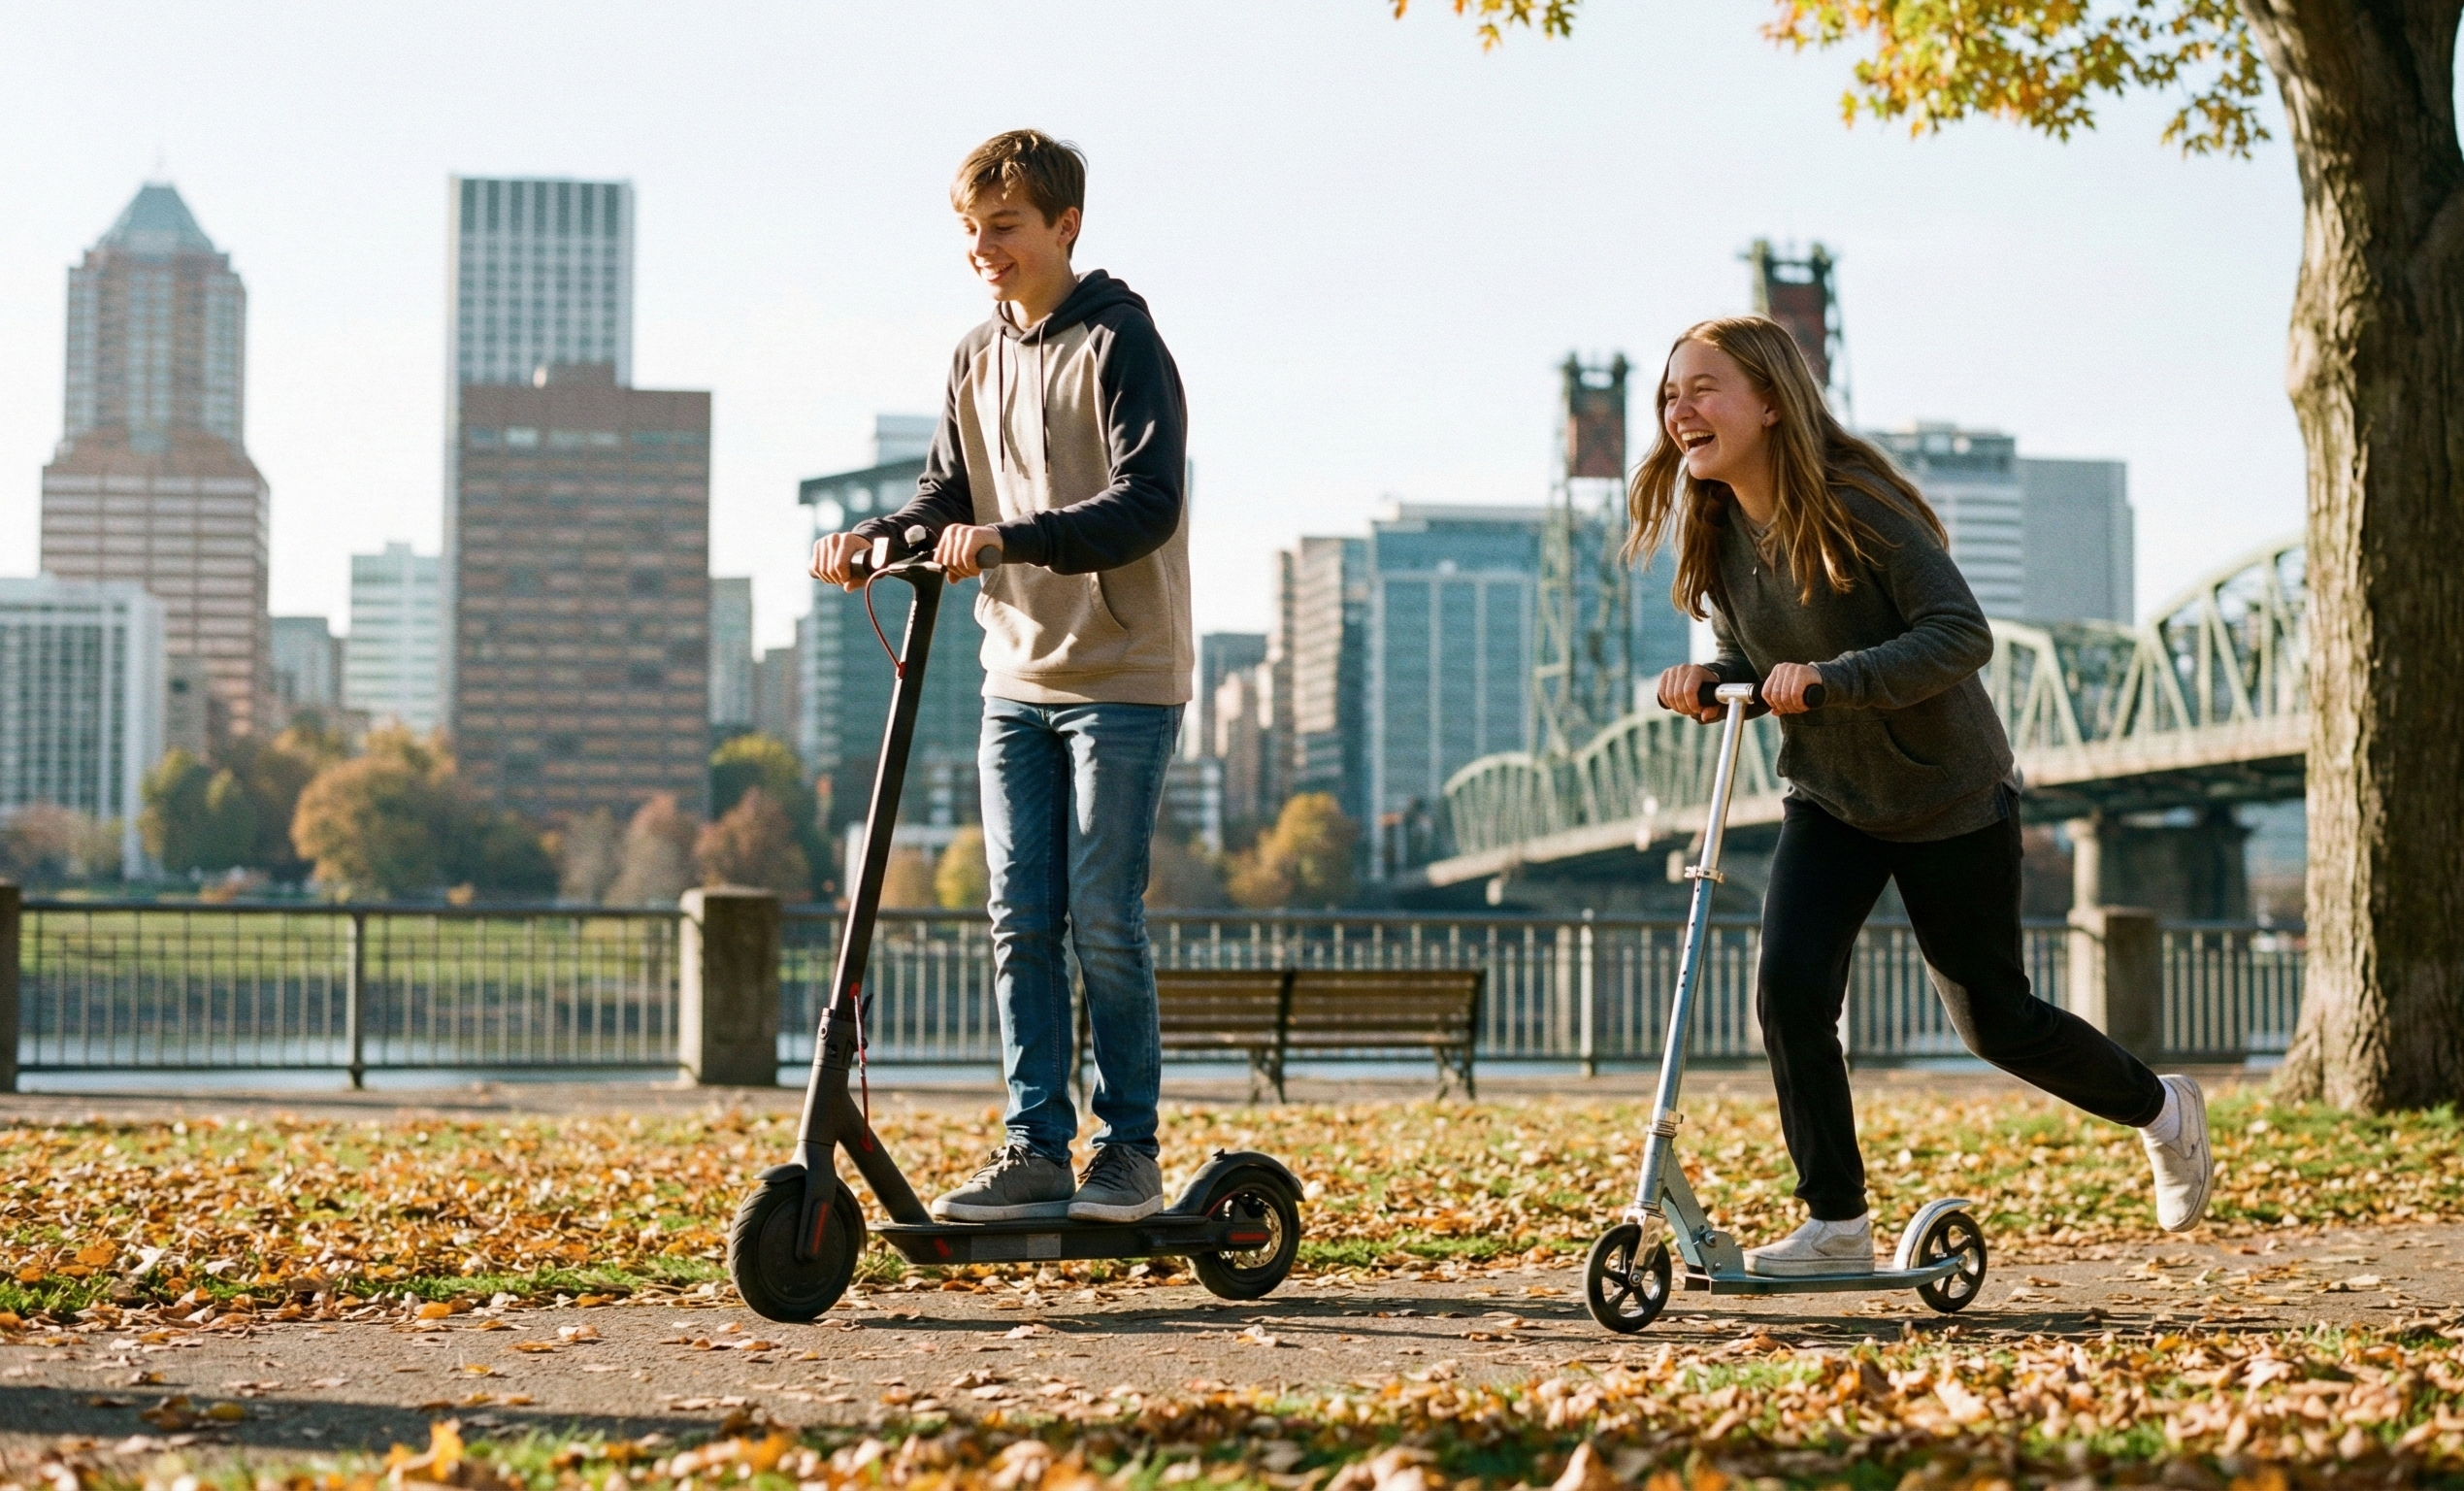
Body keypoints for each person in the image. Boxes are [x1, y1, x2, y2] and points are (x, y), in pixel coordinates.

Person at [1633, 315, 2214, 1276]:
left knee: (1995, 1023)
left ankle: (2162, 1108)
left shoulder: (1858, 505)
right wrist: (1711, 678)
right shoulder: (1718, 523)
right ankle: (1836, 1226)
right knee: (1788, 995)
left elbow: (1959, 633)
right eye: (1669, 395)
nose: (1679, 410)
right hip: (1830, 795)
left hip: (1947, 795)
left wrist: (1836, 679)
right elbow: (1756, 651)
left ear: (1770, 403)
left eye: (1703, 388)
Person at [810, 130, 1191, 1225]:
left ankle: (1128, 1155)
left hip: (1121, 673)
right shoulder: (974, 355)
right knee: (1019, 917)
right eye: (971, 229)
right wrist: (877, 537)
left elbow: (1149, 501)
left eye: (1005, 226)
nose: (983, 247)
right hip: (1015, 676)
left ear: (1064, 226)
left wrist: (1012, 539)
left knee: (1101, 916)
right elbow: (946, 493)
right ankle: (1035, 1149)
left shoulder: (1120, 340)